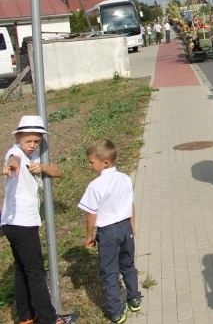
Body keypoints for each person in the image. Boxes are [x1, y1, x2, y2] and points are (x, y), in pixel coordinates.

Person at [2, 115, 80, 324]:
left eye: (37, 141)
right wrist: (12, 165)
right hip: (22, 223)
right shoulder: (15, 153)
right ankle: (49, 319)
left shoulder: (34, 156)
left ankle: (26, 316)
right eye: (28, 141)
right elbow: (13, 159)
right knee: (36, 273)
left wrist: (43, 168)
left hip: (13, 224)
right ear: (18, 137)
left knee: (22, 270)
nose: (32, 145)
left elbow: (58, 171)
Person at [78, 139, 141, 323]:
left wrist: (89, 235)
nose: (90, 165)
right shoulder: (125, 178)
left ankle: (115, 310)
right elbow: (131, 204)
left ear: (105, 162)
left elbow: (91, 214)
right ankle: (134, 298)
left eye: (91, 162)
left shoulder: (95, 185)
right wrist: (132, 225)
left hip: (107, 232)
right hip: (125, 227)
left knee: (109, 271)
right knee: (128, 264)